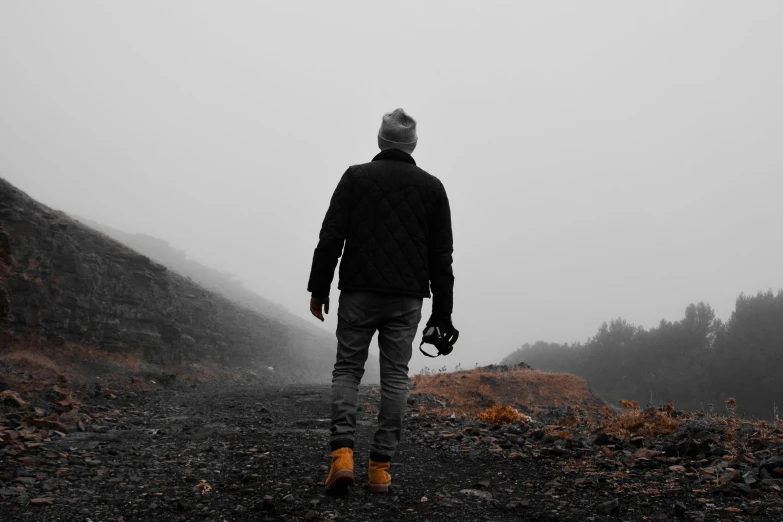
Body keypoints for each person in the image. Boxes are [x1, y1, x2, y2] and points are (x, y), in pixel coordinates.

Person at [307, 108, 456, 494]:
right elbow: (441, 258)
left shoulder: (356, 177)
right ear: (413, 144)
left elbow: (331, 237)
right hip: (406, 300)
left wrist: (319, 288)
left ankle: (341, 459)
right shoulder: (432, 188)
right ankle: (379, 469)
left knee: (347, 372)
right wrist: (443, 312)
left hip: (358, 291)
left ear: (380, 140)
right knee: (394, 377)